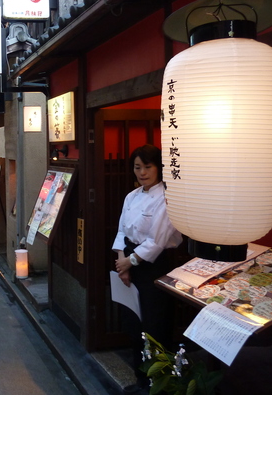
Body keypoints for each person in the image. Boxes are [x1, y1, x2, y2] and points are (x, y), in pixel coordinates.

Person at [112, 144, 182, 393]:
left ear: (159, 168)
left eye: (147, 167)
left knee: (154, 326)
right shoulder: (131, 196)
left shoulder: (166, 197)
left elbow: (157, 242)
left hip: (156, 267)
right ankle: (141, 381)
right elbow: (121, 231)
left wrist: (129, 262)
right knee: (134, 326)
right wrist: (123, 263)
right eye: (137, 167)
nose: (142, 172)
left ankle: (159, 386)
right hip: (130, 264)